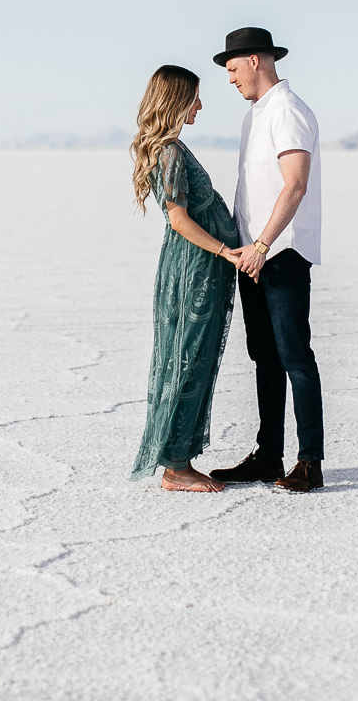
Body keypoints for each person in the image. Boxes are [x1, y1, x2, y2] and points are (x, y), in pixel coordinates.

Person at [208, 27, 326, 493]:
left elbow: (294, 185)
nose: (230, 79)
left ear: (256, 60)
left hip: (282, 253)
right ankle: (269, 455)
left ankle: (310, 462)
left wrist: (262, 245)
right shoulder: (254, 115)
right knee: (264, 357)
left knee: (296, 356)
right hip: (252, 255)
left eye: (233, 69)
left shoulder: (289, 111)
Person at [128, 64, 244, 492]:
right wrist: (223, 250)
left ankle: (180, 460)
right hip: (194, 268)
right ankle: (176, 466)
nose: (200, 104)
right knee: (187, 360)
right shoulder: (170, 152)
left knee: (192, 357)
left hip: (199, 266)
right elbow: (178, 219)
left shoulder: (172, 146)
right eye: (194, 96)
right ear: (175, 100)